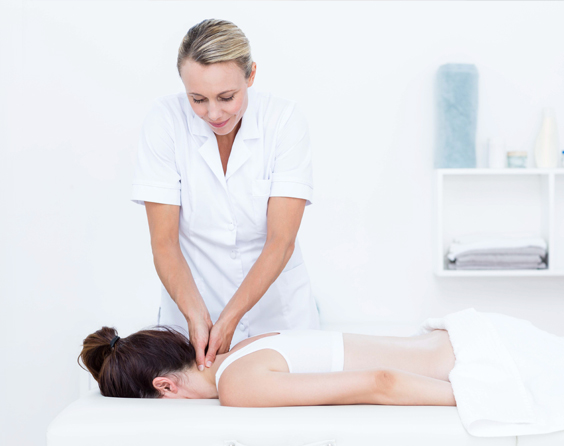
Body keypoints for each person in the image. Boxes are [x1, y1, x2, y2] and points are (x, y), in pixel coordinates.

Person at [132, 18, 318, 373]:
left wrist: (230, 317)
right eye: (198, 99)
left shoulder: (283, 121)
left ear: (251, 76)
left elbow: (280, 241)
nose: (213, 114)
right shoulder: (165, 122)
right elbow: (165, 243)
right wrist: (197, 316)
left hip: (277, 312)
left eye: (227, 97)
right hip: (191, 306)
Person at [78, 325, 458, 407]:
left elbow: (381, 382)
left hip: (469, 365)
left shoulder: (237, 386)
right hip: (456, 334)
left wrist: (472, 398)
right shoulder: (247, 344)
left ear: (164, 386)